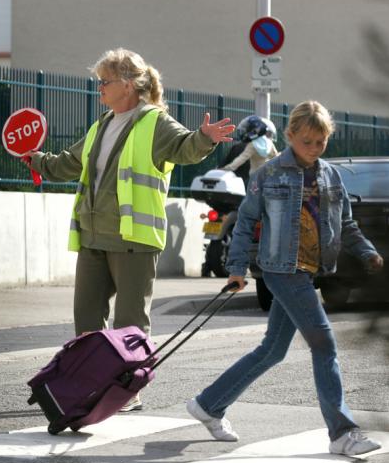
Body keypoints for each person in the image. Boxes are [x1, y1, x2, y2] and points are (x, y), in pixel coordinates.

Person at [25, 48, 234, 411]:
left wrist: (205, 137)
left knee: (129, 323)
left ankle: (128, 389)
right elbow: (71, 163)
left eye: (104, 82)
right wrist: (36, 160)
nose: (99, 89)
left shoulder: (155, 121)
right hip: (93, 236)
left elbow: (185, 148)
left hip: (134, 239)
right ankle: (90, 384)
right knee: (87, 320)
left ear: (127, 85)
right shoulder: (102, 124)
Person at [186, 100, 383, 457]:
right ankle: (342, 431)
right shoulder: (270, 174)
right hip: (280, 270)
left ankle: (208, 405)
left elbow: (348, 224)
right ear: (290, 135)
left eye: (321, 141)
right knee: (324, 343)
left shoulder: (331, 176)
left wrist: (367, 251)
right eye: (306, 141)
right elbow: (245, 222)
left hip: (309, 273)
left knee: (272, 351)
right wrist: (235, 269)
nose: (313, 148)